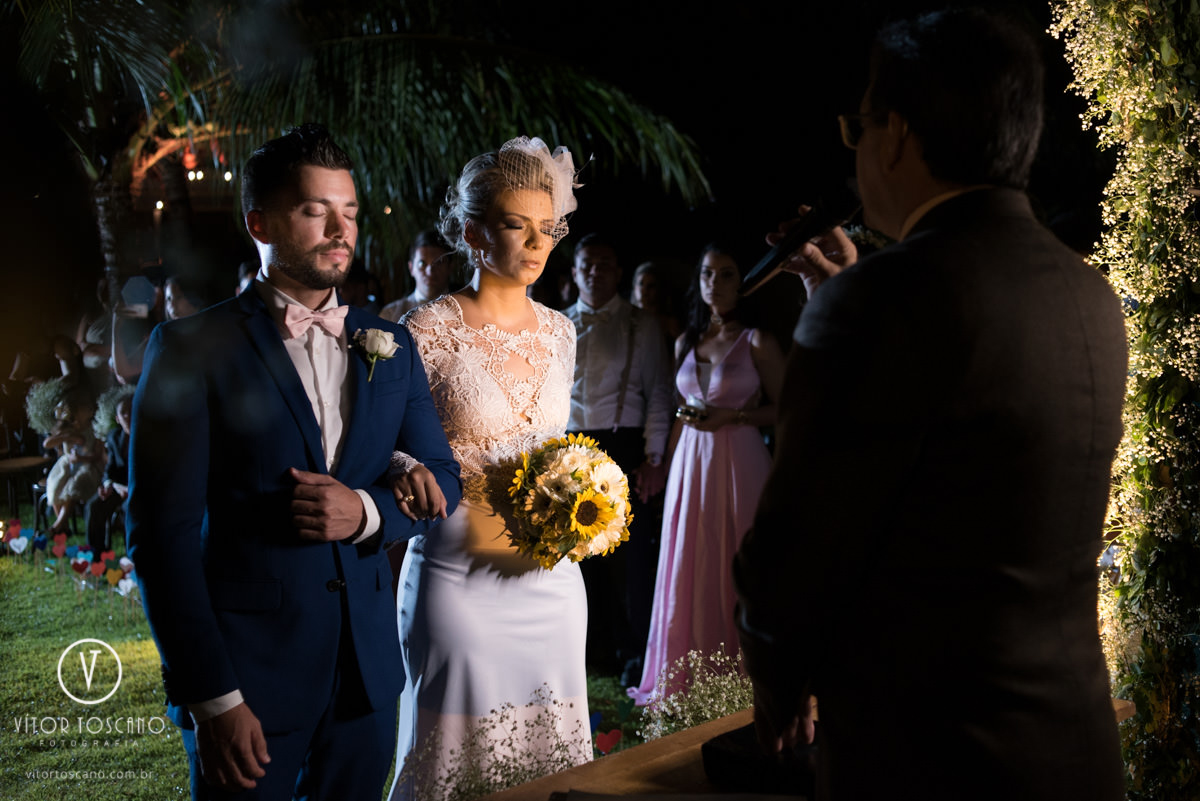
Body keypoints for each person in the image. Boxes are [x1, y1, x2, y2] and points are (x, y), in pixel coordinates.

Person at [733, 9, 1127, 800]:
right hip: (1071, 745)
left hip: (927, 752)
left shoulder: (885, 301)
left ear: (897, 133)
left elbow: (798, 544)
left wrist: (777, 675)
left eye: (859, 123)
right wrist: (848, 298)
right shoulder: (1089, 292)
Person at [127, 123, 461, 801]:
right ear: (261, 221)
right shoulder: (189, 347)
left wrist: (367, 511)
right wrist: (214, 698)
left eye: (350, 212)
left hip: (366, 679)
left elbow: (442, 474)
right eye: (316, 211)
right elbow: (160, 539)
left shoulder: (387, 341)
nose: (341, 229)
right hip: (250, 681)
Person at [389, 136, 591, 800]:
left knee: (552, 750)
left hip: (552, 579)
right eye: (515, 226)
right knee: (452, 756)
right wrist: (402, 467)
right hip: (458, 573)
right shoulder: (428, 330)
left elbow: (556, 443)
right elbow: (382, 442)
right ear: (475, 232)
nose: (536, 244)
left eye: (546, 229)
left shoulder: (562, 332)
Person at [628, 244, 783, 705]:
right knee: (689, 556)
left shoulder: (758, 341)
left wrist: (732, 419)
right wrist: (665, 466)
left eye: (726, 274)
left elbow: (790, 407)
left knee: (736, 553)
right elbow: (680, 414)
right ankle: (689, 671)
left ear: (744, 281)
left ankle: (743, 671)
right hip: (690, 462)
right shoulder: (685, 341)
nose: (715, 283)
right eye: (707, 274)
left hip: (739, 459)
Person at [564, 233, 673, 683]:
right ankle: (589, 651)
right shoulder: (558, 322)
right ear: (574, 271)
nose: (595, 272)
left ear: (618, 271)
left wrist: (653, 457)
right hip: (570, 447)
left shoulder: (640, 324)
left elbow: (659, 394)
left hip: (622, 442)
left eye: (604, 264)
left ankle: (633, 651)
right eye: (586, 264)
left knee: (627, 559)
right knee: (577, 554)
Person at [85, 385, 134, 553]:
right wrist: (108, 485)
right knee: (95, 505)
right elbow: (110, 469)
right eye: (124, 413)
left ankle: (132, 559)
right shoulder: (114, 437)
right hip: (118, 488)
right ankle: (98, 556)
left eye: (131, 411)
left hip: (139, 490)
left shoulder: (145, 438)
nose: (128, 416)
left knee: (131, 509)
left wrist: (128, 489)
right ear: (118, 418)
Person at [379, 229, 454, 322]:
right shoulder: (390, 314)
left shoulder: (465, 310)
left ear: (450, 267)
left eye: (438, 263)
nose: (430, 271)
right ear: (411, 268)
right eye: (422, 264)